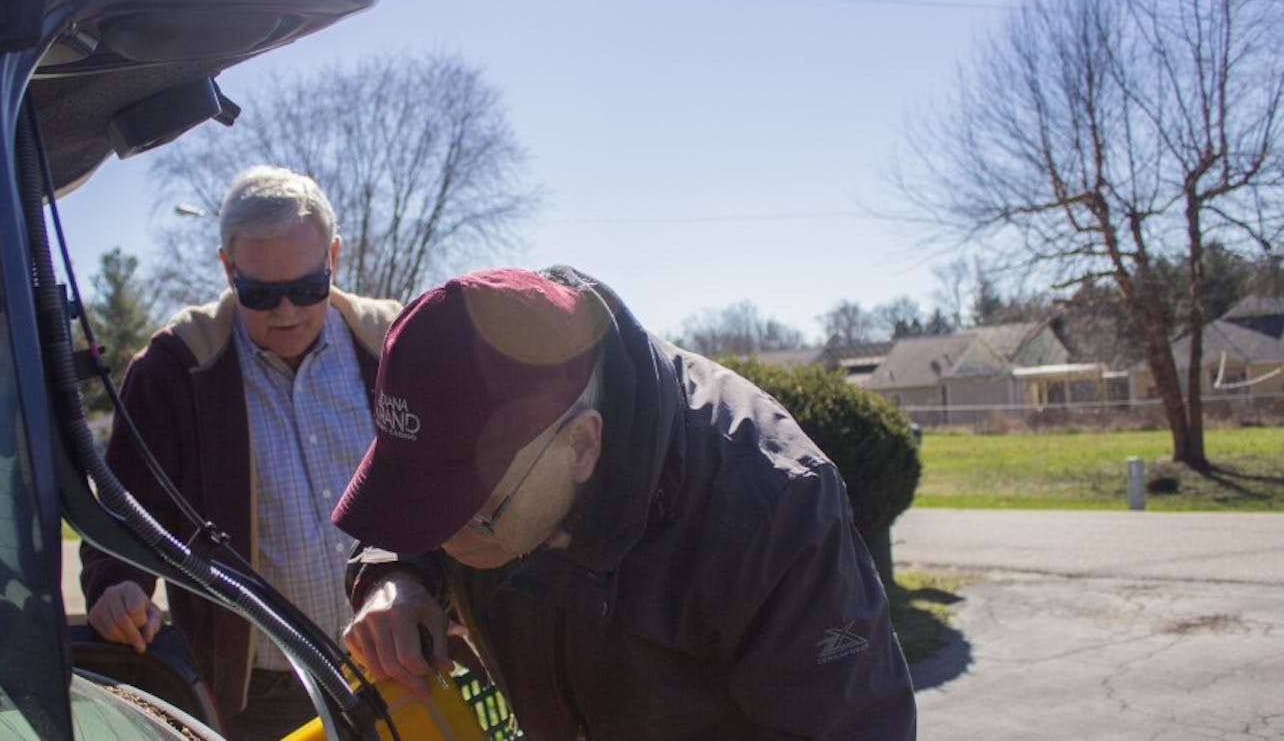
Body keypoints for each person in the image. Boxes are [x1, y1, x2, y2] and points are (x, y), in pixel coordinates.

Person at [331, 266, 917, 739]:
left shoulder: (771, 507)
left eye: (473, 512)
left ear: (582, 444)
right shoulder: (503, 454)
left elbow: (856, 725)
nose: (446, 540)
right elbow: (412, 509)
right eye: (423, 508)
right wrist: (396, 574)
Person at [79, 166, 401, 740]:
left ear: (334, 257)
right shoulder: (175, 371)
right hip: (268, 690)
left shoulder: (391, 343)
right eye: (258, 294)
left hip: (399, 658)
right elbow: (124, 510)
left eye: (306, 288)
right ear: (228, 269)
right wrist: (113, 585)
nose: (286, 312)